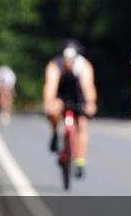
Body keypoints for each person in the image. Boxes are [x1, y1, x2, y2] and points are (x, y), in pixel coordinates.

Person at [42, 40, 98, 178]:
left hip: (77, 94)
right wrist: (49, 103)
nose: (68, 62)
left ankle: (80, 160)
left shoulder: (84, 66)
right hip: (61, 93)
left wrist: (90, 103)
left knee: (82, 125)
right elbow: (50, 86)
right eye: (66, 59)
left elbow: (88, 87)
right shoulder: (55, 65)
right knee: (54, 112)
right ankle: (55, 132)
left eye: (71, 59)